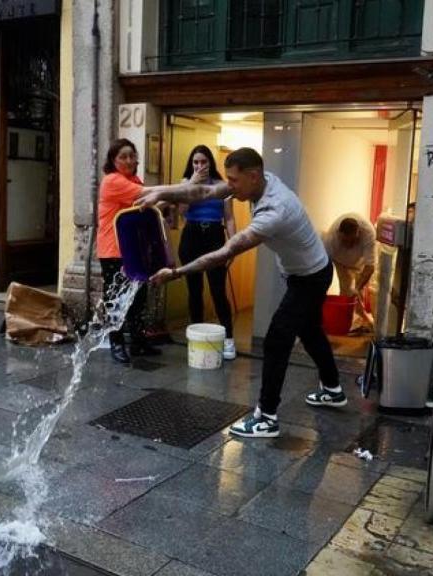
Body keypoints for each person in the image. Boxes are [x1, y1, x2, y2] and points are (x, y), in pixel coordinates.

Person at [138, 147, 344, 438]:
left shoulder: (276, 210)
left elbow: (225, 252)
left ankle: (267, 417)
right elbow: (205, 193)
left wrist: (176, 273)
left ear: (253, 175)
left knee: (276, 339)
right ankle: (333, 388)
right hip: (307, 271)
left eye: (234, 180)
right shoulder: (260, 182)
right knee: (310, 330)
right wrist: (160, 192)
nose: (229, 186)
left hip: (310, 277)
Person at [96, 138, 161, 364]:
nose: (129, 160)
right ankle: (116, 343)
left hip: (133, 249)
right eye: (123, 157)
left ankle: (138, 342)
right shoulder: (113, 181)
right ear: (113, 161)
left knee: (138, 298)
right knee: (116, 299)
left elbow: (147, 204)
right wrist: (189, 186)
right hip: (113, 250)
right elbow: (151, 193)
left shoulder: (133, 179)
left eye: (131, 156)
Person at [177, 145, 237, 360]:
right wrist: (192, 184)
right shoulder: (185, 183)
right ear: (191, 165)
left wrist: (233, 246)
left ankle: (229, 339)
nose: (200, 166)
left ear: (210, 163)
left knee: (218, 290)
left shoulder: (222, 186)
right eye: (195, 162)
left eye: (203, 162)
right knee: (195, 291)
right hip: (191, 236)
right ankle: (197, 337)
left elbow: (229, 218)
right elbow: (181, 213)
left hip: (214, 236)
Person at [324, 212, 376, 332]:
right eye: (345, 241)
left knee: (359, 292)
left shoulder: (368, 233)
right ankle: (346, 323)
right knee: (347, 292)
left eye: (352, 241)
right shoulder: (331, 238)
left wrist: (357, 288)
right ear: (339, 234)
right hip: (341, 261)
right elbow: (323, 266)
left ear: (359, 233)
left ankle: (363, 321)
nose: (348, 244)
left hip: (361, 263)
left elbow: (370, 267)